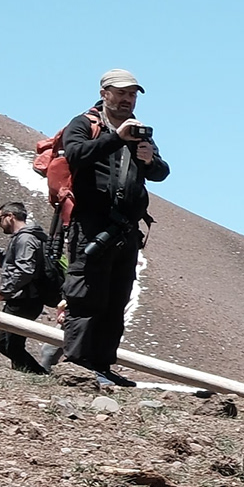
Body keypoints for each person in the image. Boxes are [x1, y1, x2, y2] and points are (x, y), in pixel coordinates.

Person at [49, 70, 168, 387]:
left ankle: (102, 366)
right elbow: (75, 154)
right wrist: (116, 138)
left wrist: (149, 160)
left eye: (133, 94)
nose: (128, 99)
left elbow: (162, 172)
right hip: (91, 226)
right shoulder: (84, 124)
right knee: (87, 297)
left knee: (117, 300)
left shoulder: (140, 133)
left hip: (126, 230)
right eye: (122, 93)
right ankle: (76, 366)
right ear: (105, 93)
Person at [0, 199, 58, 372]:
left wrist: (3, 293)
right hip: (24, 299)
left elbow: (24, 270)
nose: (0, 224)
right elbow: (12, 264)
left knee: (9, 345)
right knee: (7, 344)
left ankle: (39, 376)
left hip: (25, 301)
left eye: (0, 219)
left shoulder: (25, 239)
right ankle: (33, 375)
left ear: (10, 216)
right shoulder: (26, 237)